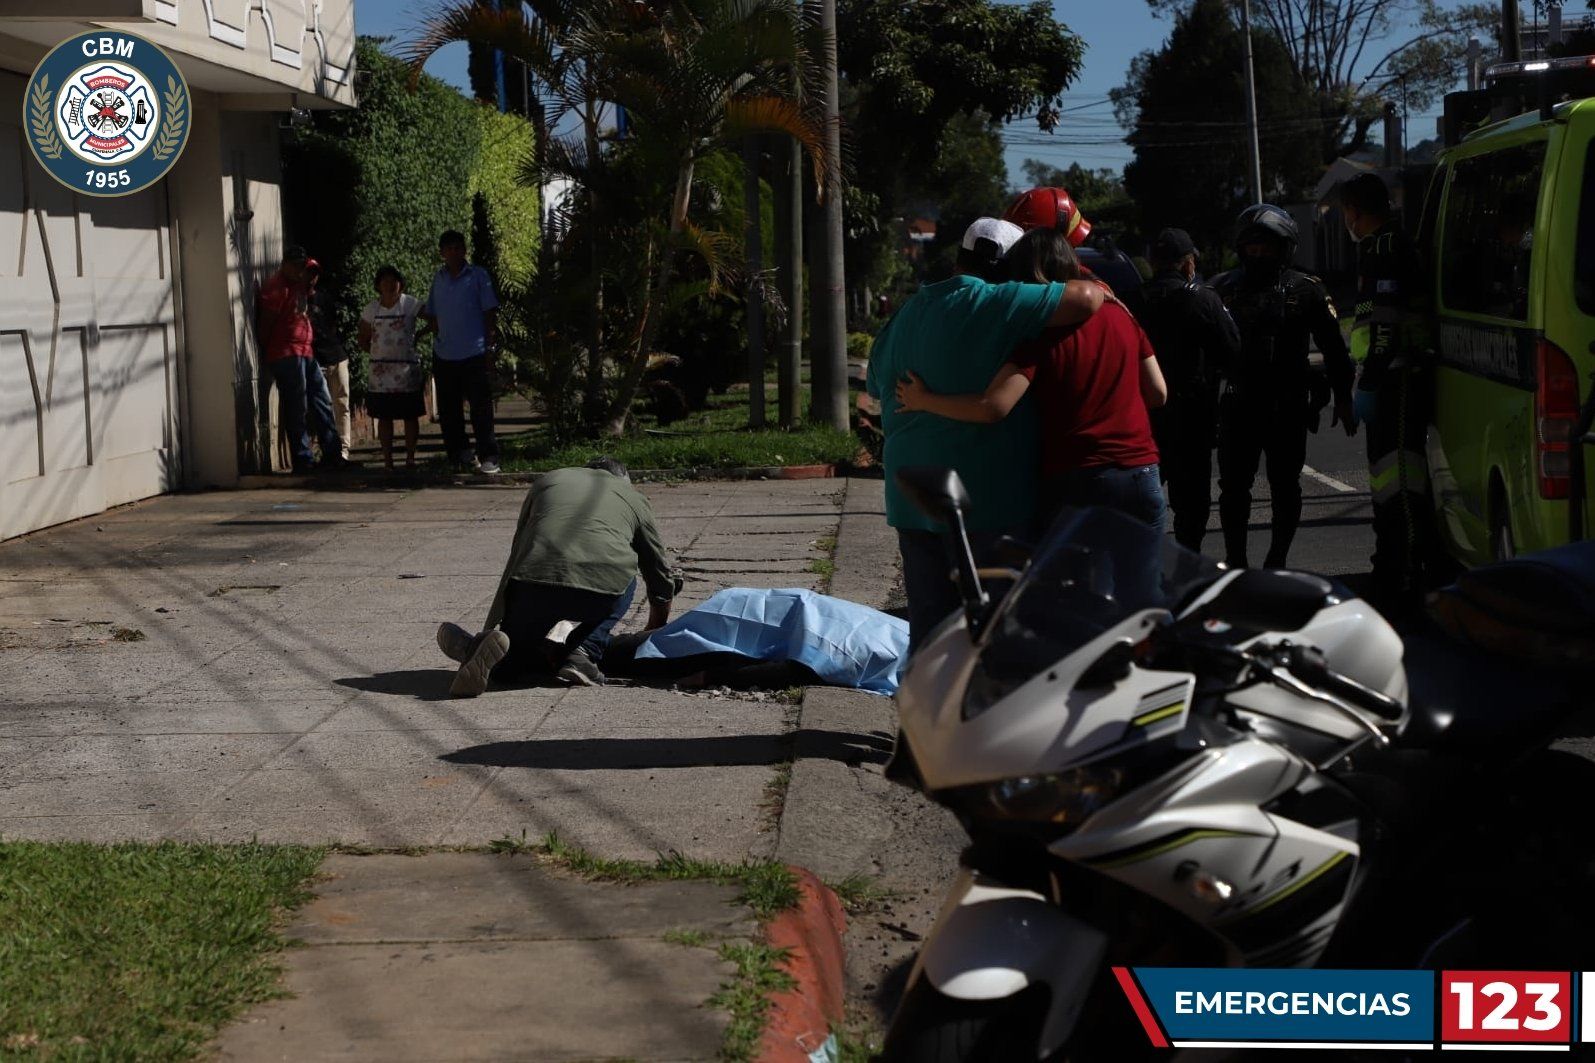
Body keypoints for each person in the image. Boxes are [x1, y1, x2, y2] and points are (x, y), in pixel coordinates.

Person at [865, 217, 1106, 650]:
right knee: (995, 624)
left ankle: (921, 714)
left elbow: (875, 383)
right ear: (1005, 265)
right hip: (984, 499)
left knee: (930, 621)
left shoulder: (908, 312)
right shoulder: (996, 301)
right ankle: (985, 712)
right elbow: (1087, 299)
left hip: (911, 495)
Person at [895, 227, 1168, 533]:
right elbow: (1158, 393)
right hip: (1141, 473)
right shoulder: (1121, 316)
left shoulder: (1038, 334)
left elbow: (992, 406)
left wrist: (923, 400)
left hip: (1077, 479)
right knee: (1142, 579)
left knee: (1088, 580)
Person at [436, 458, 679, 696]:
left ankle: (481, 651)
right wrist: (655, 628)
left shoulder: (549, 479)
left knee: (514, 653)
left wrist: (495, 624)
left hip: (531, 581)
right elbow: (657, 571)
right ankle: (583, 652)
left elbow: (519, 549)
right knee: (625, 573)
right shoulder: (633, 497)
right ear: (623, 480)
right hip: (600, 588)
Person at [1212, 205, 1356, 570]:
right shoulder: (1222, 288)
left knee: (1285, 486)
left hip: (1287, 405)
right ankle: (1236, 561)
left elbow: (1335, 349)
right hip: (1238, 404)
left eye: (1267, 246)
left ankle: (1278, 559)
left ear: (1285, 247)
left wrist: (1342, 397)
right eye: (1252, 246)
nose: (1258, 253)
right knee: (1233, 489)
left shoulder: (1305, 290)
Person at [1338, 172, 1435, 608]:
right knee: (1387, 481)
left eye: (1346, 213)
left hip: (1396, 378)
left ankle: (1410, 574)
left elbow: (1384, 327)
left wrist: (1371, 382)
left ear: (1355, 211)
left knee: (1402, 483)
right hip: (1389, 375)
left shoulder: (1384, 249)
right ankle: (1393, 565)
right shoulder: (1384, 246)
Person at [1135, 228, 1242, 552]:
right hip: (1192, 418)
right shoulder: (1203, 299)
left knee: (1142, 507)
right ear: (1187, 264)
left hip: (1143, 418)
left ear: (1153, 263)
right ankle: (1185, 570)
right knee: (1192, 507)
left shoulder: (1133, 299)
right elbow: (1233, 350)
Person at [257, 245, 345, 472]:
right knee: (297, 406)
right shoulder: (276, 288)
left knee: (322, 400)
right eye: (296, 266)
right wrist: (266, 348)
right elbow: (267, 322)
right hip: (287, 352)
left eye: (301, 266)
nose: (299, 271)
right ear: (285, 264)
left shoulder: (299, 284)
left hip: (305, 351)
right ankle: (303, 458)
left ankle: (332, 453)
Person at [423, 230, 501, 475]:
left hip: (474, 351)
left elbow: (490, 313)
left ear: (464, 250)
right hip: (445, 353)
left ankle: (488, 455)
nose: (454, 252)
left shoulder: (478, 276)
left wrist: (489, 346)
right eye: (449, 249)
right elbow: (433, 314)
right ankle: (459, 454)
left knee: (480, 407)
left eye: (458, 248)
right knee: (449, 410)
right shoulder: (439, 279)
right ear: (442, 253)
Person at [359, 265, 425, 471]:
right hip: (381, 374)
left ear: (400, 283)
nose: (389, 284)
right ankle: (388, 460)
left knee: (409, 415)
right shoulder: (372, 309)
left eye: (393, 280)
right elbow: (362, 336)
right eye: (384, 281)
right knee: (384, 416)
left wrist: (419, 336)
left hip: (406, 370)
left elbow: (434, 319)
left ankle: (410, 457)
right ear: (378, 285)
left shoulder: (410, 304)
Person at [306, 259, 352, 462]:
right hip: (315, 359)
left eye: (315, 273)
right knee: (321, 406)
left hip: (337, 355)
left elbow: (333, 324)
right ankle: (325, 448)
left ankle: (343, 449)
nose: (312, 277)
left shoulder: (324, 298)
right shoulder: (298, 299)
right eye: (309, 272)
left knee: (342, 403)